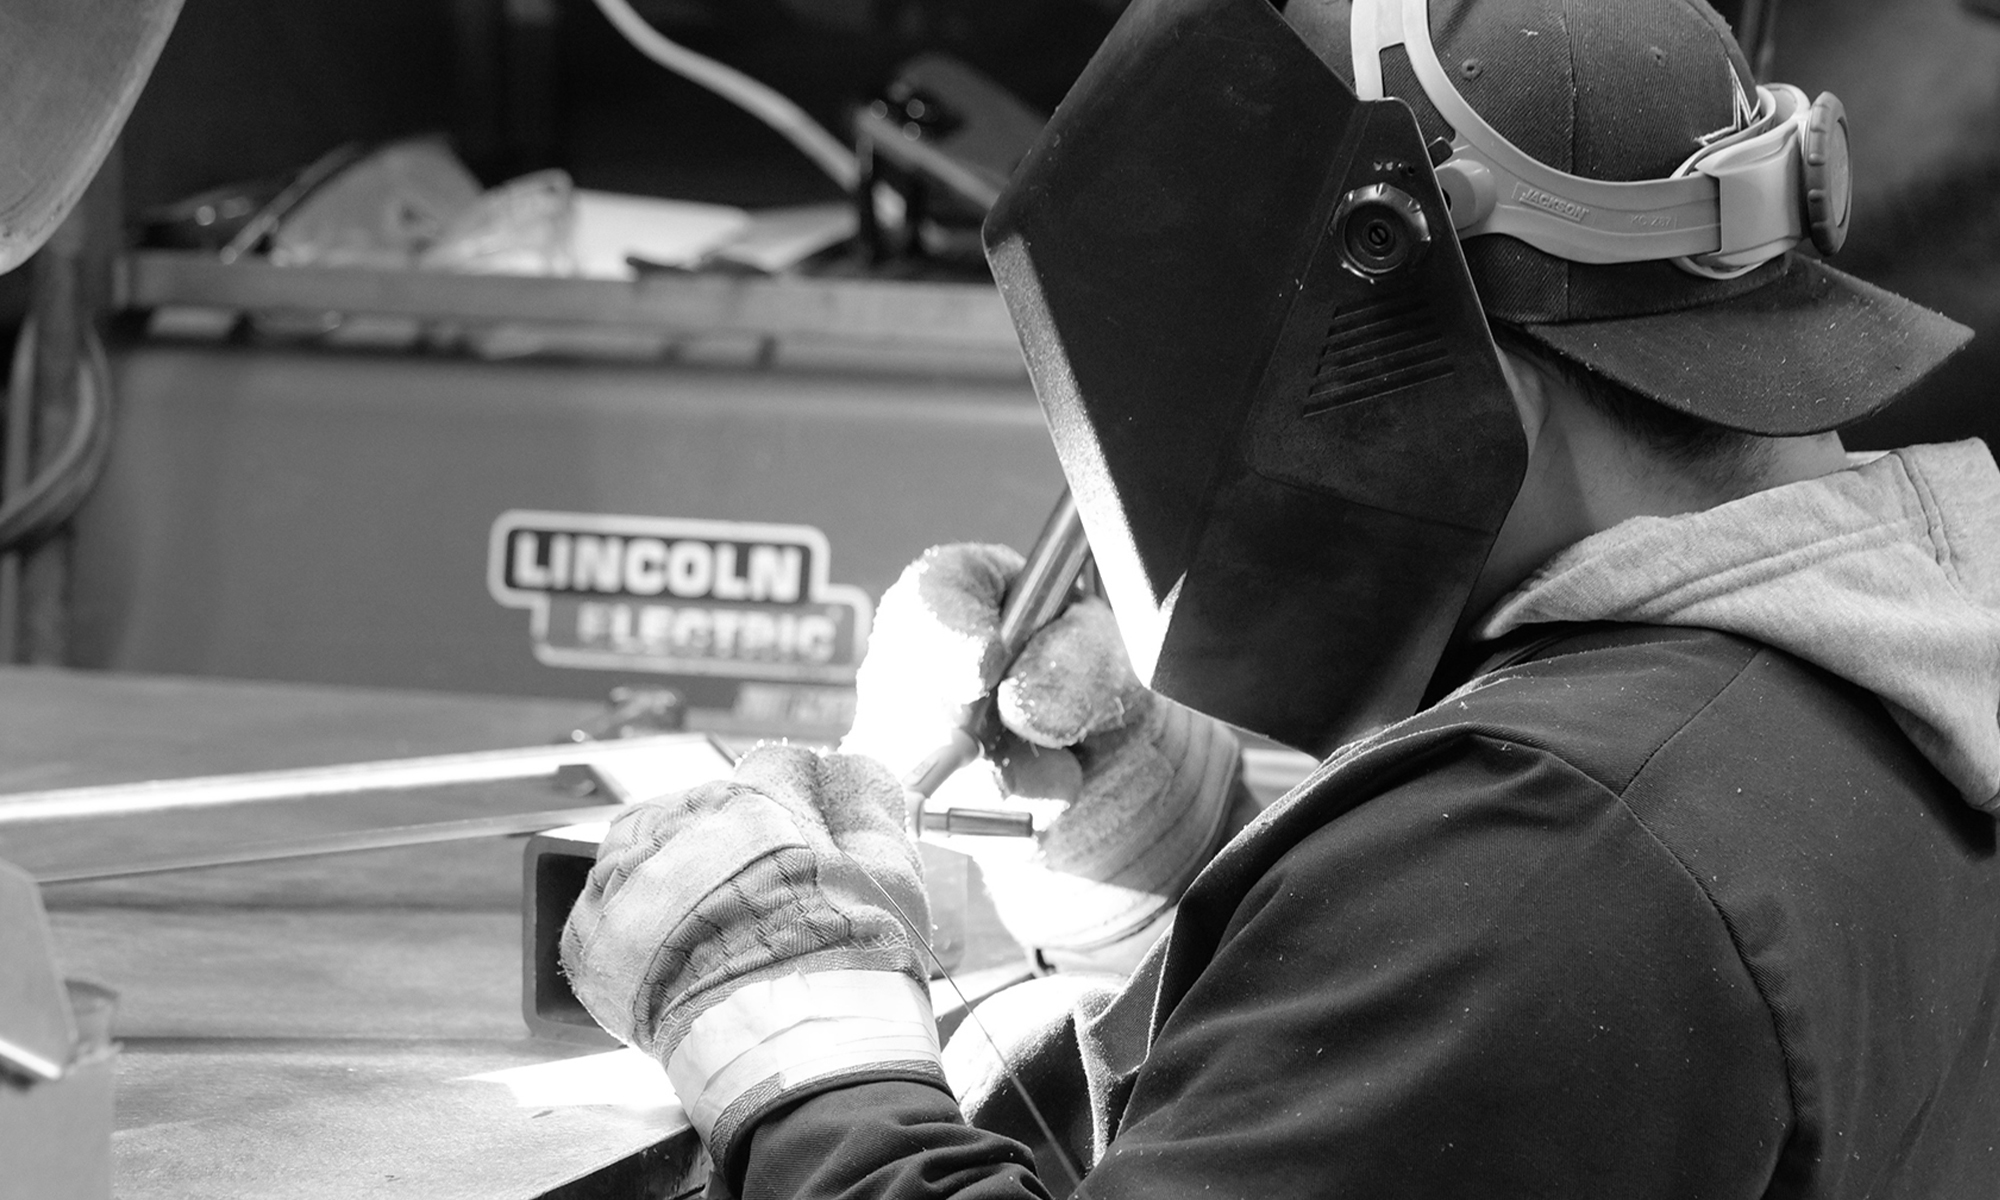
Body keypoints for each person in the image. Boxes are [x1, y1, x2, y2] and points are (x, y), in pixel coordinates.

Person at [559, 1, 2000, 1196]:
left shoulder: (1553, 857)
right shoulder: (1883, 672)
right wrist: (1194, 877)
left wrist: (789, 1039)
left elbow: (1540, 928)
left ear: (1429, 360)